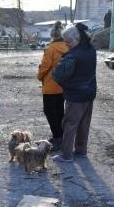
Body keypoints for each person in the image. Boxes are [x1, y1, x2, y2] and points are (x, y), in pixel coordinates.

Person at [51, 23, 97, 162]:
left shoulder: (72, 56)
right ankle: (81, 150)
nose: (67, 44)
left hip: (75, 96)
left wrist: (65, 84)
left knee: (70, 124)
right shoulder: (91, 49)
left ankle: (66, 155)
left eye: (69, 42)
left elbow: (57, 75)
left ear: (77, 38)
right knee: (84, 123)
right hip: (89, 93)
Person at [37, 21, 69, 151]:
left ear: (52, 35)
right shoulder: (67, 47)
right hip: (63, 85)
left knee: (50, 111)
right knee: (60, 111)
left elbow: (45, 67)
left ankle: (57, 137)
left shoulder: (50, 49)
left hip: (50, 85)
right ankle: (61, 135)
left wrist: (39, 76)